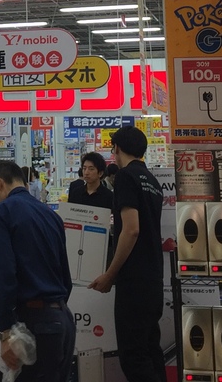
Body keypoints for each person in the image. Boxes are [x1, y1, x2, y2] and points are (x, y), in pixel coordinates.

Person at [0, 160, 75, 381]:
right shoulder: (51, 215)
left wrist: (6, 330)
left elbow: (2, 275)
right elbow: (66, 277)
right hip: (63, 321)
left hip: (35, 324)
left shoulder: (1, 212)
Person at [88, 126, 165, 382]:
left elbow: (131, 230)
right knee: (150, 350)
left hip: (134, 281)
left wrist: (110, 275)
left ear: (117, 148)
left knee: (133, 357)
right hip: (153, 278)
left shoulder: (125, 177)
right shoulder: (152, 181)